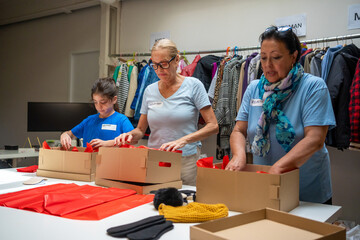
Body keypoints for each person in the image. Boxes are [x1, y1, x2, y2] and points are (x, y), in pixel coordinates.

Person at [226, 26, 335, 204]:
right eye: (263, 58)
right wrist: (239, 156)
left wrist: (278, 168)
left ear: (293, 56)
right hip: (265, 188)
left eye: (276, 57)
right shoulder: (254, 88)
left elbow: (315, 139)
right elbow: (239, 130)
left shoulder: (313, 87)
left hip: (306, 191)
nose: (267, 65)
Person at [114, 39, 219, 186]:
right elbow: (140, 130)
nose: (159, 70)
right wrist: (129, 135)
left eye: (163, 64)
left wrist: (183, 140)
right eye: (154, 65)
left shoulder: (193, 86)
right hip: (156, 160)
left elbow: (213, 125)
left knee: (185, 202)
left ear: (176, 60)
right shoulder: (149, 90)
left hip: (186, 160)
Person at [61, 77, 134, 149]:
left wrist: (106, 144)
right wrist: (65, 135)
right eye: (95, 102)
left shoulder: (121, 120)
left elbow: (133, 140)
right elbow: (70, 134)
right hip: (90, 160)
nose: (99, 106)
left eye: (103, 102)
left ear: (114, 100)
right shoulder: (89, 121)